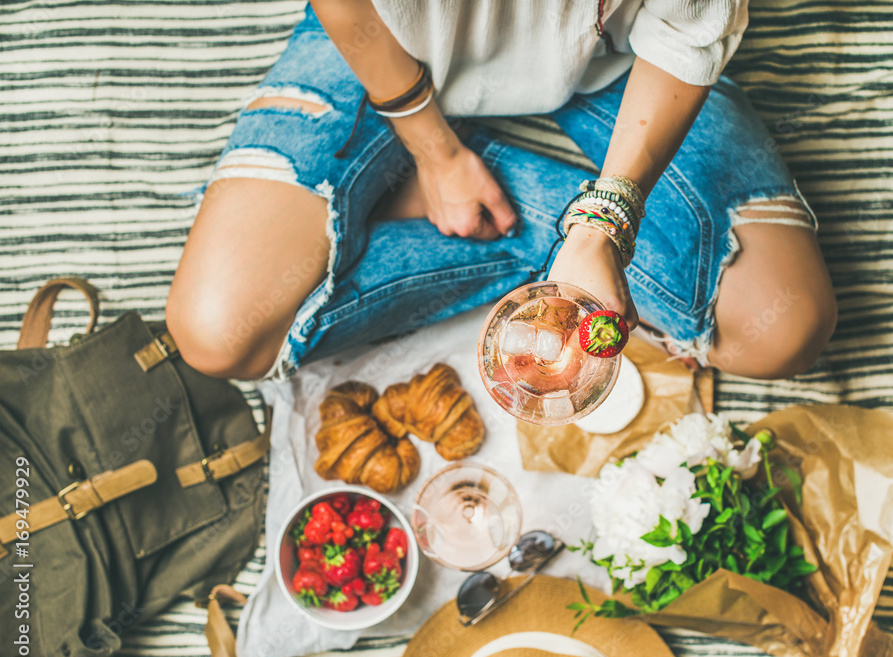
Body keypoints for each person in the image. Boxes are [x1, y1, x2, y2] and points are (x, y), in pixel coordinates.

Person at [166, 0, 837, 382]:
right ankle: (517, 210)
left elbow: (689, 32)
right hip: (395, 50)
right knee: (222, 338)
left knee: (779, 329)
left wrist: (606, 220)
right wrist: (434, 150)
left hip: (620, 60)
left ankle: (553, 229)